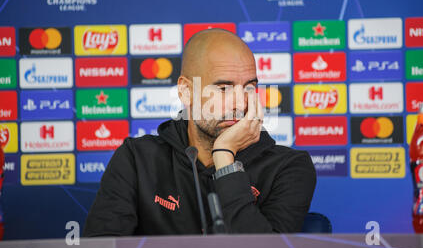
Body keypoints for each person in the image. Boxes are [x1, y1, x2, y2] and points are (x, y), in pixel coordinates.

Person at [83, 28, 316, 236]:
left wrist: (225, 157)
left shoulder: (290, 167)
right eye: (224, 88)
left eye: (249, 88)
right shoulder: (136, 158)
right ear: (186, 92)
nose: (240, 103)